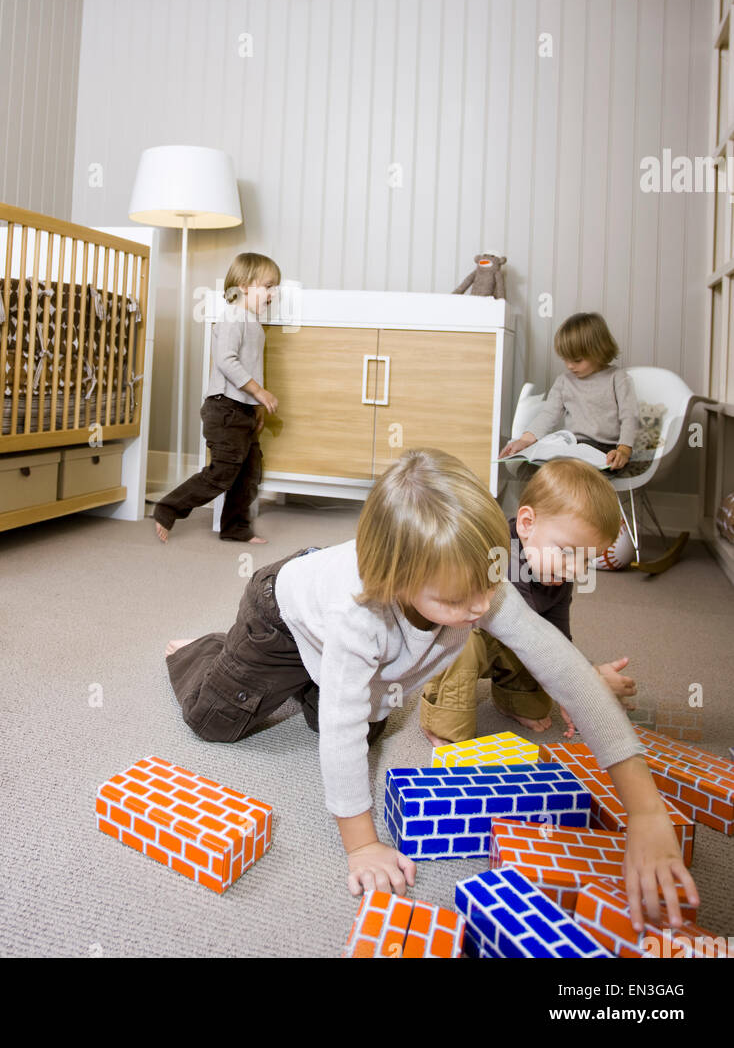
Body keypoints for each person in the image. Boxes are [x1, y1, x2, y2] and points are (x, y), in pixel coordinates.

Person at [165, 448, 698, 929]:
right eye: (455, 601)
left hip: (343, 649)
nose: (479, 610)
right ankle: (210, 650)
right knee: (214, 721)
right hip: (281, 616)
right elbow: (339, 734)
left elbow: (569, 673)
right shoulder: (359, 619)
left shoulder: (478, 587)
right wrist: (363, 846)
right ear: (399, 583)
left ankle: (311, 677)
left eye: (488, 588)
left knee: (361, 723)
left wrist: (646, 811)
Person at [419, 458, 636, 745]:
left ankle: (512, 698)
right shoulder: (499, 554)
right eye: (568, 553)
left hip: (516, 640)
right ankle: (439, 717)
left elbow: (558, 638)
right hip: (461, 637)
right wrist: (583, 680)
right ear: (526, 524)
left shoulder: (558, 574)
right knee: (465, 649)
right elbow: (531, 637)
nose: (578, 570)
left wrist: (580, 680)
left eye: (587, 560)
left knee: (538, 690)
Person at [153, 252, 281, 544]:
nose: (273, 294)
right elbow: (225, 360)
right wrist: (259, 392)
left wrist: (257, 405)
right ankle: (168, 507)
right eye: (269, 286)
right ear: (247, 285)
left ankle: (235, 528)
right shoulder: (235, 317)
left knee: (248, 474)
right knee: (222, 472)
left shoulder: (254, 324)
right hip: (225, 409)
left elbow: (251, 369)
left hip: (243, 410)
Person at [500, 312, 639, 471]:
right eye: (565, 359)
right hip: (573, 446)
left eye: (577, 360)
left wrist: (624, 450)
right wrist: (524, 440)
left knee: (573, 475)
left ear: (599, 351)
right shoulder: (564, 382)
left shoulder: (617, 378)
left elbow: (629, 417)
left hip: (607, 449)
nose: (570, 366)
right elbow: (548, 414)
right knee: (530, 469)